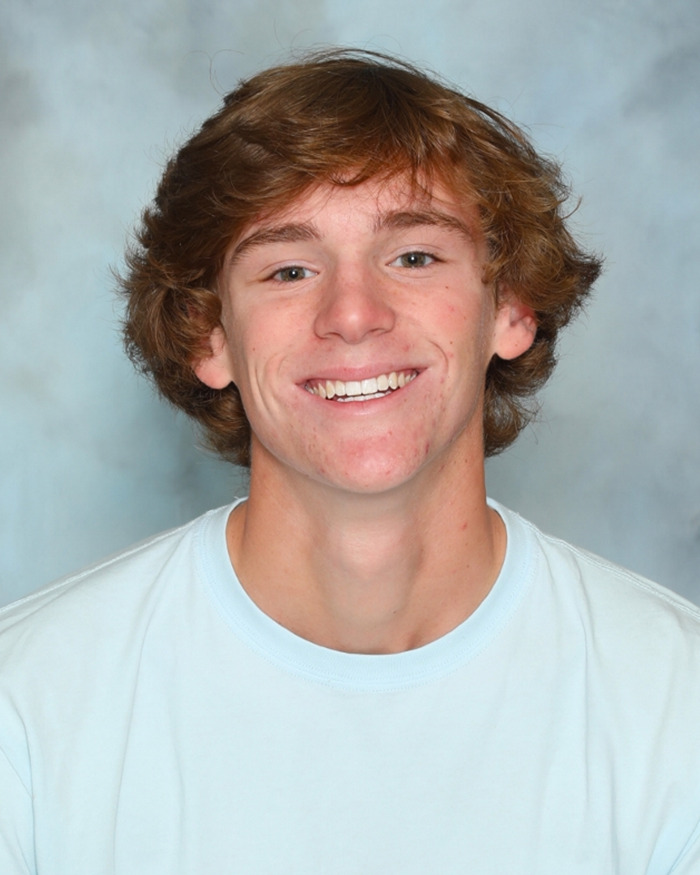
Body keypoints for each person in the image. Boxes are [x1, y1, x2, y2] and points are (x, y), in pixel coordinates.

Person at [1, 49, 699, 874]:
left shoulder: (674, 705)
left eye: (414, 256)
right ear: (210, 337)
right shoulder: (28, 706)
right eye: (289, 269)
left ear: (511, 307)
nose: (354, 314)